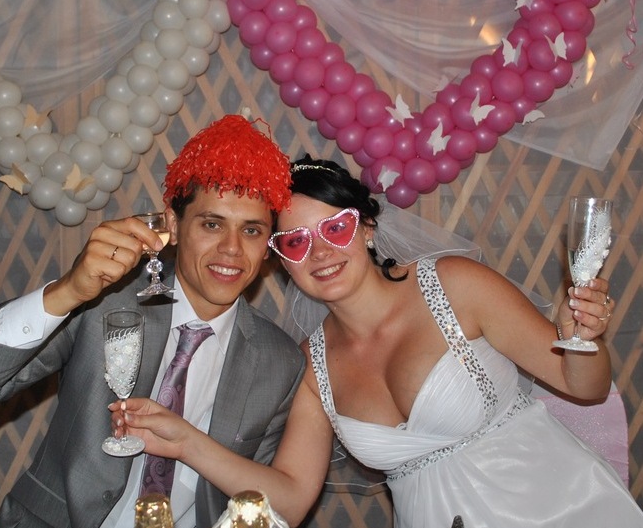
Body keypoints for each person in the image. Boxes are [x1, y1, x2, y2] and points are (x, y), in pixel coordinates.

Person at [115, 155, 643, 528]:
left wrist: (582, 340)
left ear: (367, 229)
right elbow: (290, 501)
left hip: (553, 508)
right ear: (281, 260)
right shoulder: (311, 366)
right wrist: (186, 441)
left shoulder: (456, 286)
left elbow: (585, 387)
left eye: (336, 229)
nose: (321, 253)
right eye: (296, 241)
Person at [0, 115, 306, 528]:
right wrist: (68, 291)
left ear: (267, 246)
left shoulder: (279, 362)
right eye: (212, 224)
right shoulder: (104, 302)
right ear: (174, 225)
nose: (231, 248)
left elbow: (259, 508)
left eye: (251, 231)